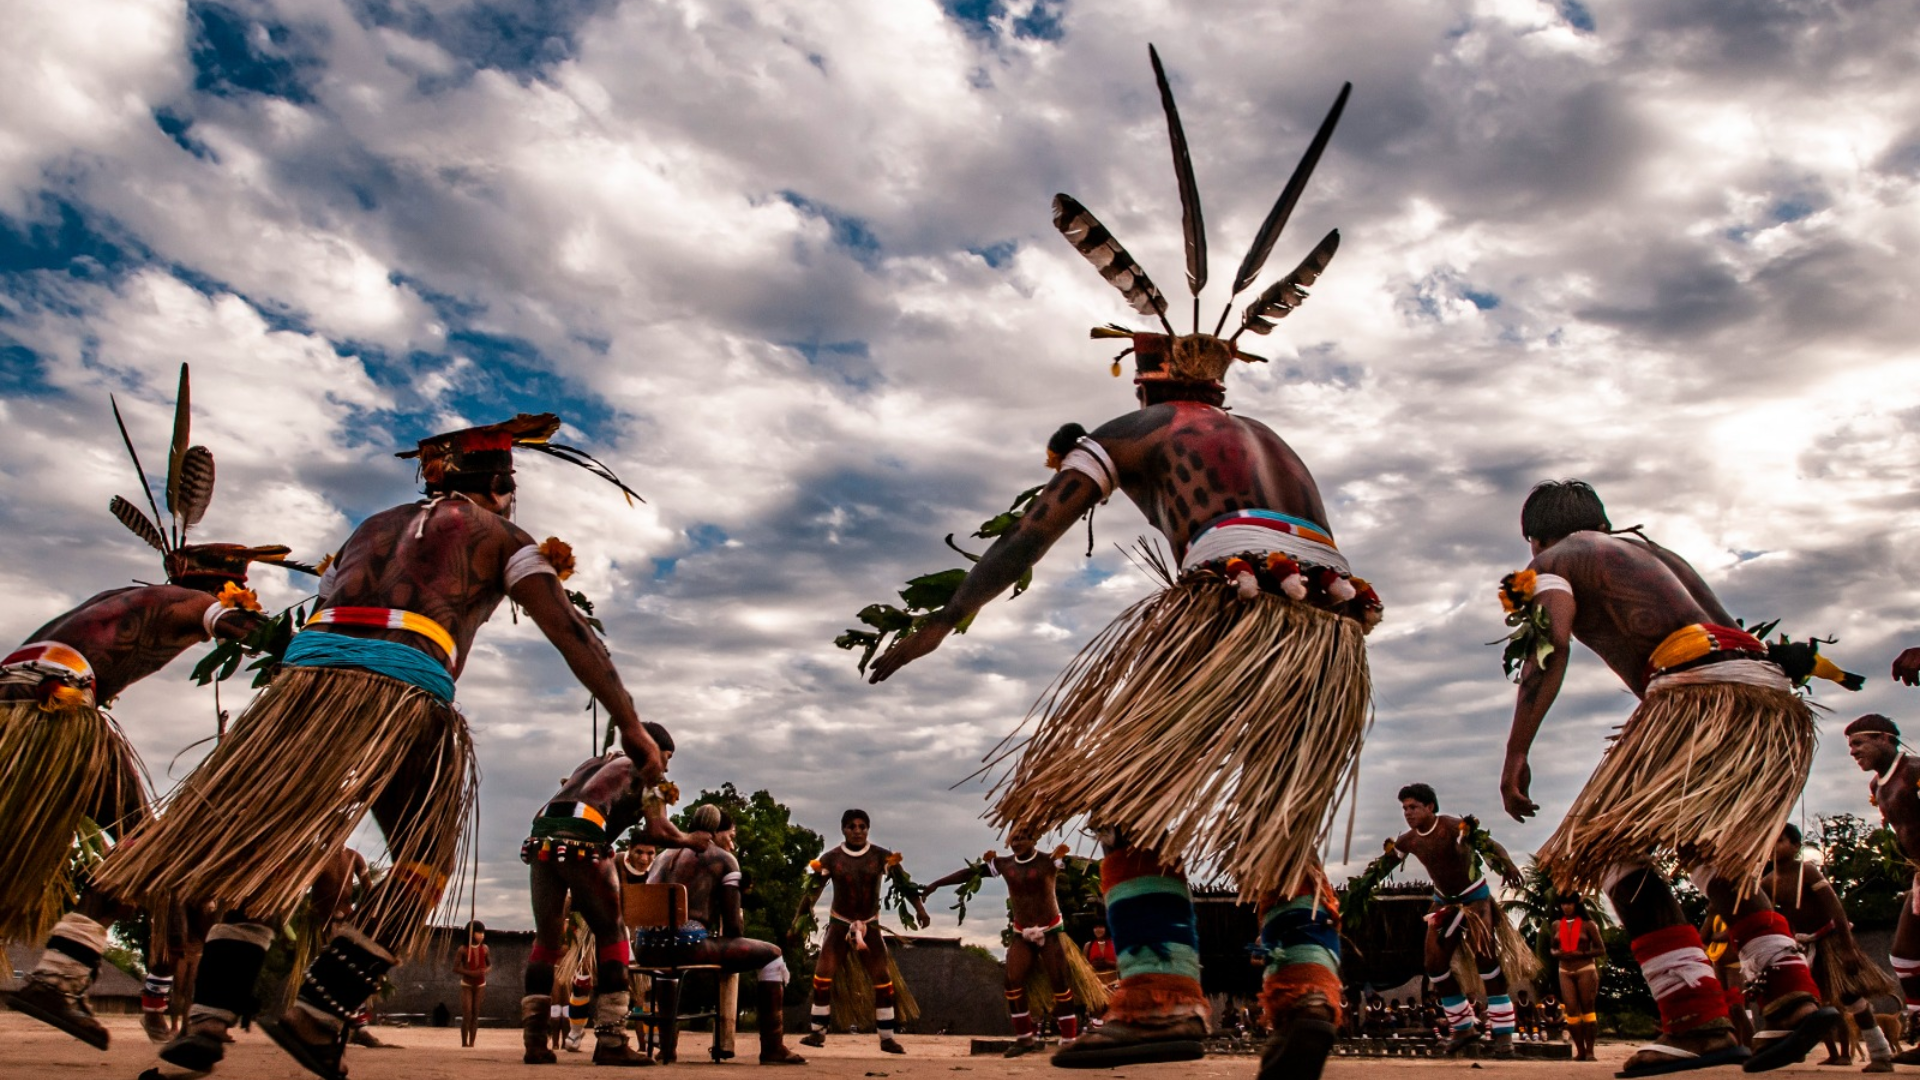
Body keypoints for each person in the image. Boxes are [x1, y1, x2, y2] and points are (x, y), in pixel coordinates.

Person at [868, 50, 1367, 1079]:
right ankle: (1309, 988)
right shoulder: (1275, 442)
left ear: (1145, 374)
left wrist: (942, 619)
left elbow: (1032, 532)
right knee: (1279, 812)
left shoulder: (1137, 428)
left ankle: (1157, 995)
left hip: (1229, 607)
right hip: (1329, 627)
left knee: (1124, 793)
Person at [95, 411, 659, 1080]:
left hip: (301, 691)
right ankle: (322, 1011)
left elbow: (330, 602)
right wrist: (631, 724)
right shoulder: (502, 536)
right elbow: (568, 628)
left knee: (268, 853)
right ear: (505, 483)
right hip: (402, 690)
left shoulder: (369, 528)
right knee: (424, 862)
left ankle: (207, 1025)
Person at [1498, 479, 1851, 1076]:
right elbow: (1725, 625)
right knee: (1702, 845)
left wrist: (1516, 752)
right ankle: (1789, 991)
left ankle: (1695, 1018)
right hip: (1763, 694)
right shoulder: (1659, 554)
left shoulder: (1553, 562)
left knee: (1599, 847)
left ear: (1533, 538)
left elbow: (1549, 645)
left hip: (1696, 691)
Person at [2, 365, 307, 1050]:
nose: (243, 594)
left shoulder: (127, 598)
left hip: (17, 710)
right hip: (53, 717)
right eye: (240, 585)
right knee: (146, 844)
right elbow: (256, 638)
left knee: (130, 837)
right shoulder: (191, 604)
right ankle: (57, 976)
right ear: (221, 581)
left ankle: (60, 974)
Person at [521, 735, 700, 1066]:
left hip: (542, 831)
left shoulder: (593, 763)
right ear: (649, 747)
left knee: (547, 940)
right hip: (584, 831)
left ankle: (534, 1042)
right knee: (614, 934)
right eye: (667, 755)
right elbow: (659, 831)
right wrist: (693, 840)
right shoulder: (649, 772)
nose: (667, 764)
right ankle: (612, 1040)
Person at [1354, 784, 1532, 1057]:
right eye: (1404, 808)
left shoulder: (1452, 827)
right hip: (1443, 902)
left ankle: (1503, 1034)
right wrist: (1358, 894)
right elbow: (1380, 868)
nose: (1408, 813)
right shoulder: (1408, 841)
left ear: (1430, 807)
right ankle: (1462, 1028)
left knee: (1486, 961)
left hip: (1475, 898)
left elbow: (1489, 845)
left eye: (1413, 807)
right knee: (1434, 965)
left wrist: (1507, 864)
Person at [646, 803, 808, 1065]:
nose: (732, 843)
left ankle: (667, 1049)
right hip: (686, 946)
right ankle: (772, 1047)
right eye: (731, 836)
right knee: (773, 956)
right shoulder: (722, 859)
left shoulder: (663, 856)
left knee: (669, 968)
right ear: (717, 832)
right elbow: (733, 928)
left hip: (646, 947)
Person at [921, 832, 1108, 1057]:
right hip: (1022, 933)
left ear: (1035, 839)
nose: (1018, 842)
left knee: (1060, 983)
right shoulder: (1003, 864)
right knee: (1012, 982)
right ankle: (1024, 1038)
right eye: (1015, 838)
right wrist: (936, 884)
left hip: (1050, 931)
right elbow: (969, 873)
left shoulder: (1050, 860)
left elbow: (1087, 866)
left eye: (1024, 837)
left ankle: (1069, 1040)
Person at [791, 809, 930, 1054]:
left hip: (870, 925)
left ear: (868, 829)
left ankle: (887, 1038)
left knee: (883, 980)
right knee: (822, 976)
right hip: (840, 924)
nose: (857, 831)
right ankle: (817, 1033)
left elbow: (904, 886)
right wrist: (798, 921)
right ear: (843, 829)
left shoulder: (882, 857)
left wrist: (919, 909)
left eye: (862, 826)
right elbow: (812, 892)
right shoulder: (831, 859)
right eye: (852, 827)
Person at [1762, 822, 1898, 1070]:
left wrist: (1848, 948)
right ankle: (1796, 1047)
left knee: (1851, 997)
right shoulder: (1767, 882)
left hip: (1831, 941)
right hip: (1800, 946)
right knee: (1804, 1000)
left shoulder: (1808, 872)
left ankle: (1880, 1054)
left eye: (1780, 840)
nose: (1774, 845)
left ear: (1795, 846)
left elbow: (1836, 909)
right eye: (1770, 840)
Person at [1845, 713, 1920, 1068]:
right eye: (1849, 745)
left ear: (1886, 738)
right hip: (1919, 874)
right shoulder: (1878, 787)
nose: (1853, 751)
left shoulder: (1915, 770)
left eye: (1859, 743)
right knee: (1904, 957)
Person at [1550, 894, 1605, 1061]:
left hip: (1585, 968)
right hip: (1564, 970)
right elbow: (1552, 948)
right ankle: (1580, 1050)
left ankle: (1590, 1051)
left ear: (1576, 905)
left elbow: (1601, 949)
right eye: (1563, 904)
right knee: (1572, 1011)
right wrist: (1557, 953)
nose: (1566, 907)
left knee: (1588, 1009)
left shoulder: (1589, 925)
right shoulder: (1556, 925)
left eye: (1570, 904)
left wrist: (1581, 953)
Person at [454, 921, 490, 1049]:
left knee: (475, 1012)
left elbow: (489, 965)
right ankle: (464, 1042)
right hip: (467, 984)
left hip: (480, 984)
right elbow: (456, 968)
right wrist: (470, 973)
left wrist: (485, 970)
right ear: (471, 933)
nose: (481, 935)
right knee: (467, 1012)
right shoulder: (463, 949)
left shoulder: (485, 949)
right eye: (478, 932)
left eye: (482, 933)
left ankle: (472, 1042)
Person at [1084, 924, 1119, 994]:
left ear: (1106, 928)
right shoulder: (1088, 945)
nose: (1098, 930)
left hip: (1115, 985)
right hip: (1096, 987)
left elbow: (1122, 965)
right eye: (1095, 927)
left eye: (1101, 927)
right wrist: (1092, 966)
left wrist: (1108, 963)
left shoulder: (1114, 943)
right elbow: (1084, 968)